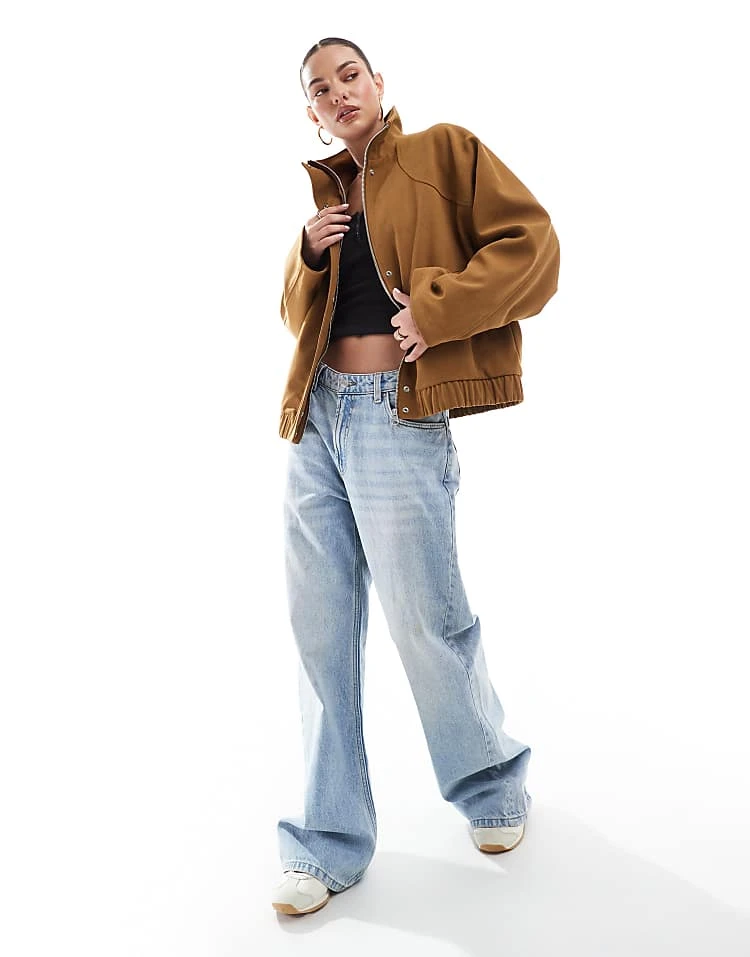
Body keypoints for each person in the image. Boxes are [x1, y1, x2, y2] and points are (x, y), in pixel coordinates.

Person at [272, 36, 560, 916]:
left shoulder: (443, 153)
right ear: (311, 112)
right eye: (320, 88)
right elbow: (294, 319)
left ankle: (492, 786)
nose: (338, 92)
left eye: (349, 75)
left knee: (425, 617)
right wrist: (307, 255)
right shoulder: (326, 197)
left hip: (396, 415)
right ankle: (325, 841)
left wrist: (438, 312)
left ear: (377, 82)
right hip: (315, 416)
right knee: (321, 632)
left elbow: (534, 247)